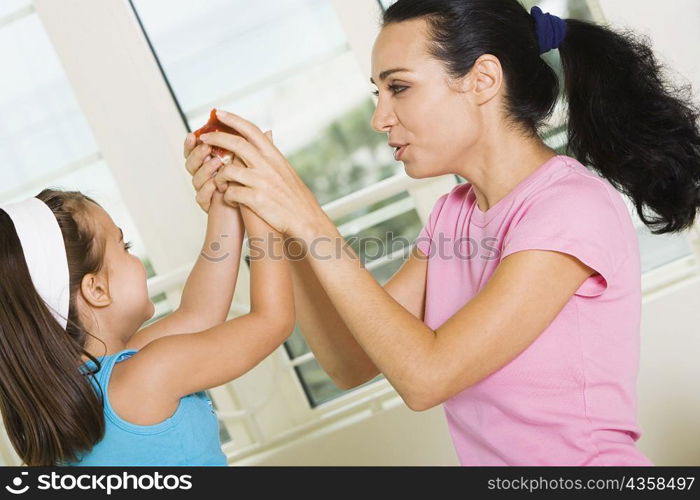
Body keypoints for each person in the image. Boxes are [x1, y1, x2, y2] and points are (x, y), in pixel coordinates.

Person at [184, 0, 700, 465]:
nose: (380, 117)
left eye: (399, 87)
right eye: (378, 92)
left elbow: (427, 377)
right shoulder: (455, 214)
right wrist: (268, 218)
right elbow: (349, 362)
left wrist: (308, 216)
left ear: (482, 80)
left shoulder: (570, 209)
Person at [0, 174, 294, 465]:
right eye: (123, 246)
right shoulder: (150, 372)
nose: (134, 257)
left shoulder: (84, 393)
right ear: (97, 289)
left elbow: (199, 314)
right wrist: (261, 207)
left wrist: (225, 202)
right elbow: (273, 319)